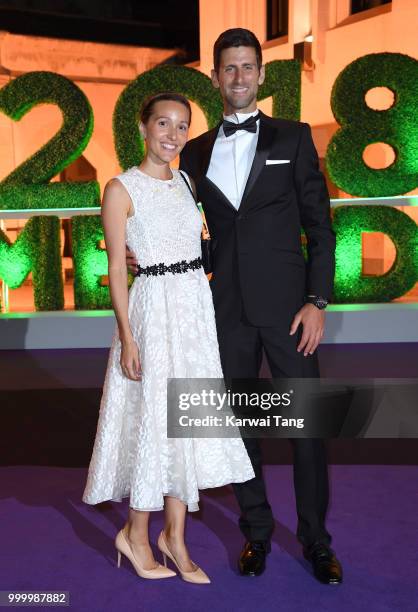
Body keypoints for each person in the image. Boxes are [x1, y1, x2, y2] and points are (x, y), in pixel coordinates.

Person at [127, 28, 343, 585]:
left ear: (261, 74)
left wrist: (318, 300)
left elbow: (320, 227)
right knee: (241, 428)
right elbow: (192, 231)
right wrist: (143, 254)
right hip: (222, 315)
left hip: (292, 313)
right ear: (216, 77)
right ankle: (257, 533)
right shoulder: (193, 153)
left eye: (248, 67)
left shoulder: (293, 139)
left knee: (306, 431)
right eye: (229, 68)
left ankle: (317, 541)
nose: (240, 77)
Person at [82, 92, 255, 585]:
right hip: (152, 311)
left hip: (193, 309)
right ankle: (135, 536)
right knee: (155, 419)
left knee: (187, 419)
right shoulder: (120, 188)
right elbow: (117, 266)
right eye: (163, 123)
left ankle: (174, 538)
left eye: (182, 127)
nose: (172, 135)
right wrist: (127, 336)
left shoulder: (185, 180)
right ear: (142, 127)